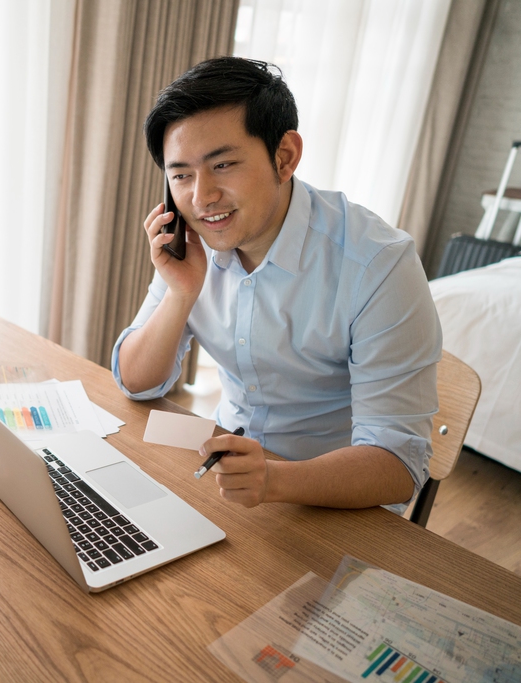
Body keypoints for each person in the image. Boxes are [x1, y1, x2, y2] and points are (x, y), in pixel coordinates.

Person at [112, 57, 441, 513]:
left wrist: (273, 479)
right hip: (227, 475)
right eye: (181, 175)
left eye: (223, 164)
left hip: (335, 499)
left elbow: (398, 465)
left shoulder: (379, 265)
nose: (202, 197)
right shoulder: (193, 244)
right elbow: (135, 382)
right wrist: (181, 292)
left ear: (284, 157)